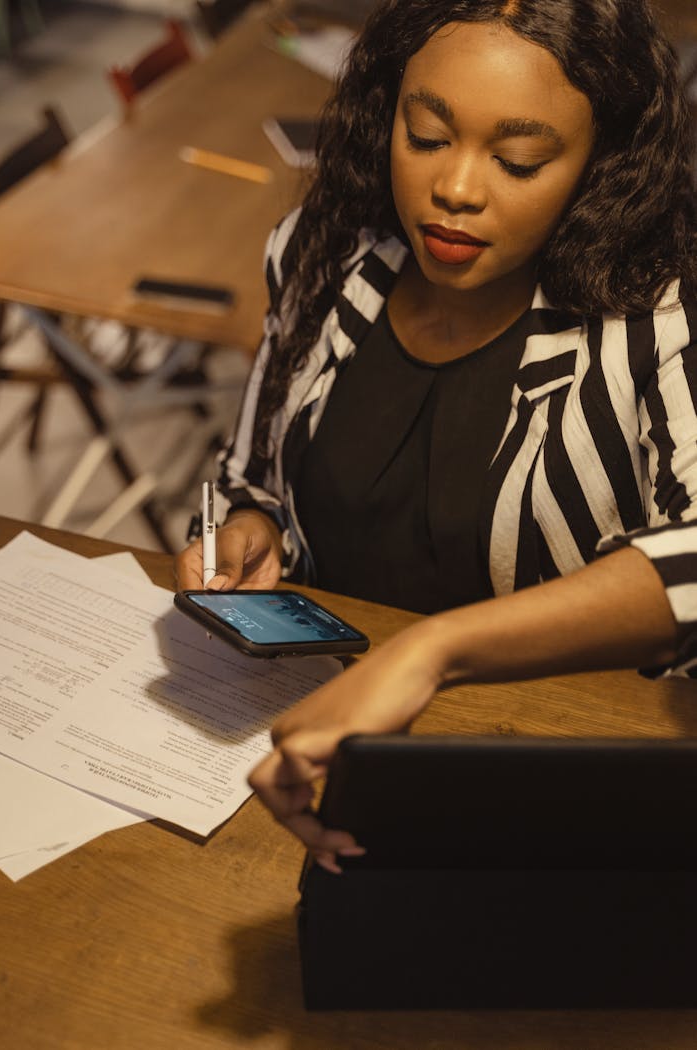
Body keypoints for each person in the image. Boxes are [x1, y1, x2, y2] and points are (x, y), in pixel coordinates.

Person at [175, 0, 697, 872]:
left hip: (552, 791)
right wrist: (245, 531)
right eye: (426, 137)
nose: (455, 187)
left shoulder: (656, 321)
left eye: (519, 158)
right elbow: (249, 476)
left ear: (599, 167)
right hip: (306, 753)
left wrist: (430, 652)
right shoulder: (326, 253)